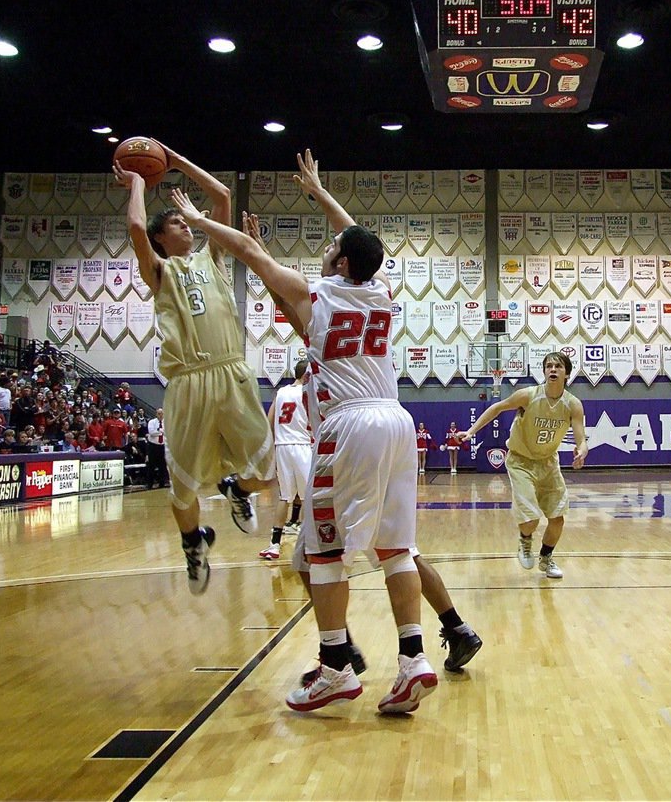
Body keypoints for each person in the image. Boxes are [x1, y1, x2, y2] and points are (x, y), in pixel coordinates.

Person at [168, 148, 438, 714]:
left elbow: (243, 250)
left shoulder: (319, 293)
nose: (328, 245)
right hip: (396, 419)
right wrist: (318, 193)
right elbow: (360, 240)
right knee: (396, 548)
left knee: (324, 553)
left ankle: (336, 667)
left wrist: (196, 221)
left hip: (348, 425)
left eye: (332, 247)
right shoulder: (379, 292)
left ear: (340, 264)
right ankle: (413, 658)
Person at [115, 142, 275, 596]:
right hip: (187, 381)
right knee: (181, 491)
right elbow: (133, 227)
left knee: (265, 475)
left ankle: (237, 490)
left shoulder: (212, 257)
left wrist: (177, 160)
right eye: (178, 224)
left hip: (232, 373)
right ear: (163, 238)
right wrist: (140, 183)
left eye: (188, 223)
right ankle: (193, 540)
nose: (188, 226)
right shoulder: (160, 271)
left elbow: (222, 196)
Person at [456, 350, 588, 580]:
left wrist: (582, 451)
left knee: (557, 518)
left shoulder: (573, 405)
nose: (553, 370)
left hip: (548, 462)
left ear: (567, 373)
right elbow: (497, 408)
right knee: (531, 519)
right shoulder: (529, 395)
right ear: (544, 372)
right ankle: (525, 541)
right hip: (521, 461)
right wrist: (470, 432)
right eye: (549, 366)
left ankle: (546, 559)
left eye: (558, 366)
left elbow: (581, 438)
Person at [262, 361, 310, 562]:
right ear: (307, 375)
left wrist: (275, 443)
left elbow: (269, 418)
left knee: (285, 497)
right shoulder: (307, 394)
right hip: (301, 445)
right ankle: (309, 544)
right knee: (310, 496)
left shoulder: (280, 392)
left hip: (282, 446)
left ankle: (274, 545)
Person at [145, 407, 169, 488]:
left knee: (162, 465)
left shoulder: (166, 423)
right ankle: (149, 484)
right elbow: (151, 432)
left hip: (162, 446)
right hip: (153, 446)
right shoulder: (152, 422)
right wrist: (161, 431)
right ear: (156, 414)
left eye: (162, 413)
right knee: (151, 465)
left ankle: (162, 483)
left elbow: (167, 432)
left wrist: (159, 431)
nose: (160, 415)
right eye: (159, 413)